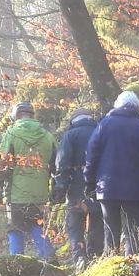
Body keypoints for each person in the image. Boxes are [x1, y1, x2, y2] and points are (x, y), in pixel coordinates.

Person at [84, 91, 139, 255]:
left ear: (117, 105)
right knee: (134, 230)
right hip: (135, 187)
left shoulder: (104, 125)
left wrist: (89, 181)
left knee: (110, 228)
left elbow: (91, 156)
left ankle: (110, 263)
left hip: (107, 187)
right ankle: (134, 264)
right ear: (137, 107)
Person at [0, 101, 56, 258]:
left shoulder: (11, 134)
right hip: (40, 192)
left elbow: (1, 163)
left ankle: (17, 261)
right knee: (37, 224)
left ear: (15, 116)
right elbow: (57, 165)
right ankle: (48, 258)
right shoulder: (48, 136)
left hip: (16, 192)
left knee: (15, 227)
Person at [52, 109, 99, 262]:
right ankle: (95, 255)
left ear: (73, 121)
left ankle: (79, 256)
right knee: (97, 217)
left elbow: (63, 164)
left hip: (77, 183)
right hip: (100, 181)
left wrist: (60, 189)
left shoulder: (70, 135)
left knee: (74, 220)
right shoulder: (101, 131)